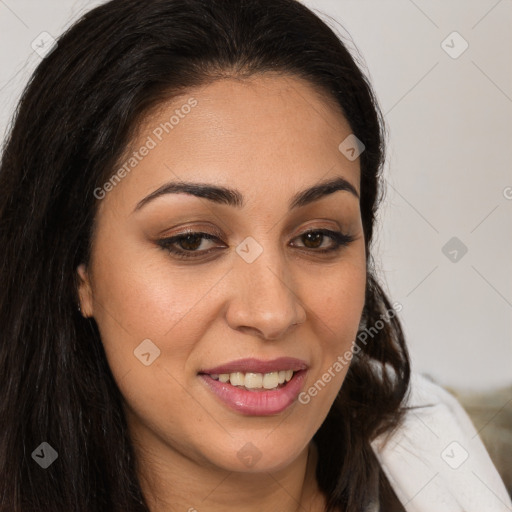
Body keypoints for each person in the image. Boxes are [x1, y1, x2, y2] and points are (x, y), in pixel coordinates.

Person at [0, 0, 509, 511]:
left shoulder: (433, 456)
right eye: (193, 239)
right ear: (78, 272)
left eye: (316, 237)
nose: (272, 312)